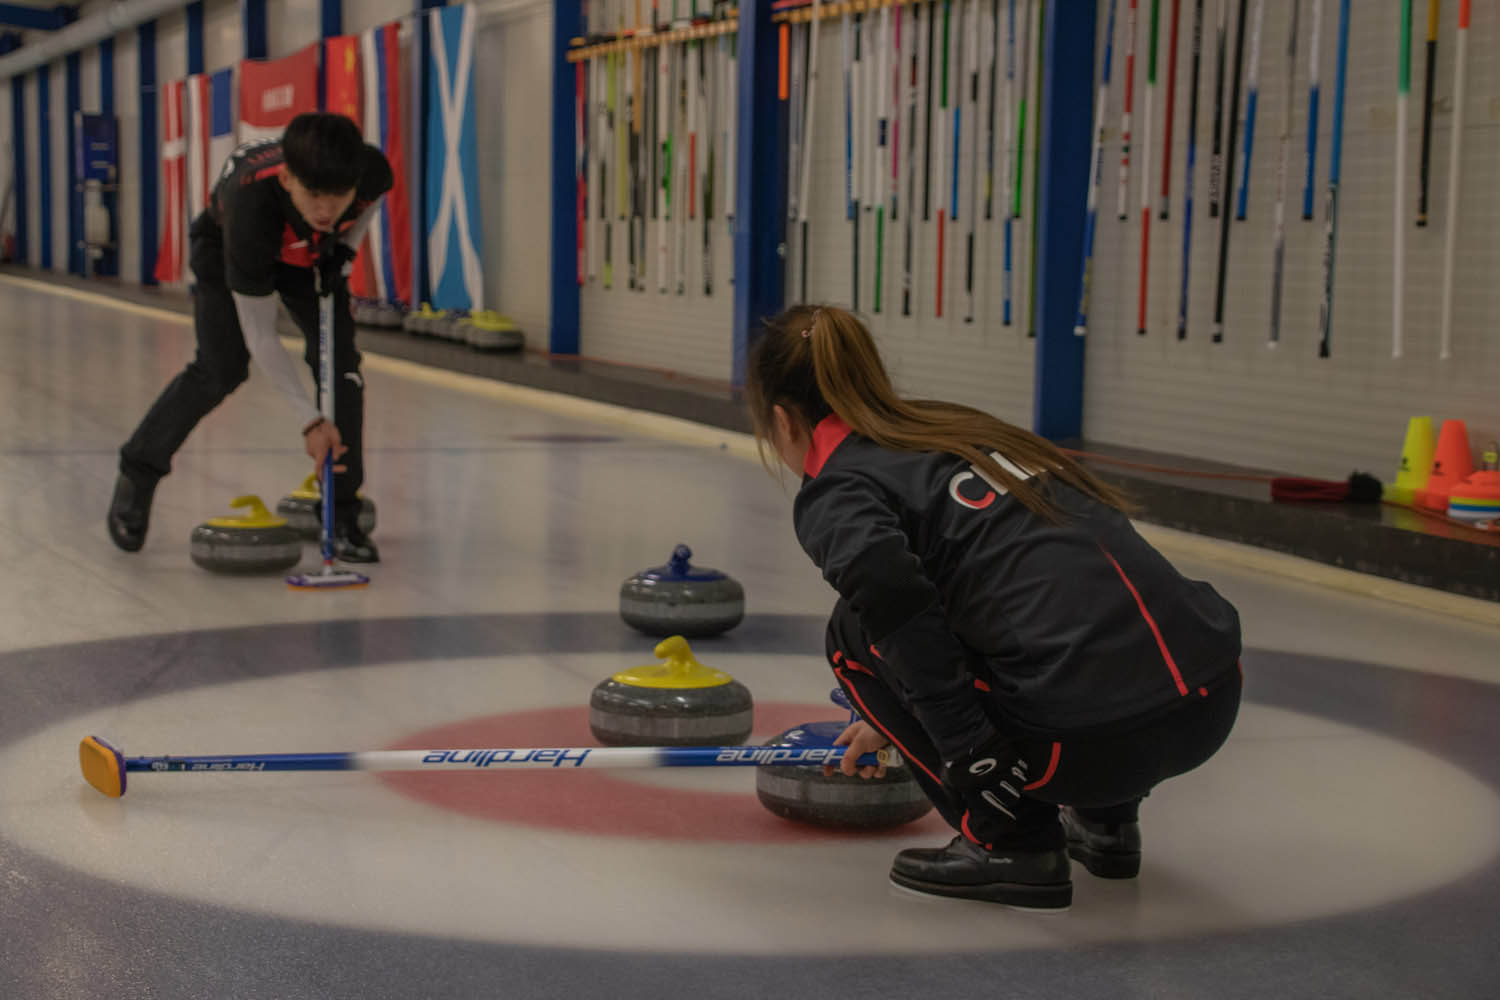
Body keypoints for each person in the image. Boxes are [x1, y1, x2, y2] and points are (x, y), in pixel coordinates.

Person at [747, 305, 1243, 910]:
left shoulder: (839, 486)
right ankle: (1106, 821)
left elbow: (892, 600)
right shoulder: (957, 430)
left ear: (782, 420)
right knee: (1062, 610)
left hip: (1089, 742)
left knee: (853, 635)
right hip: (1207, 700)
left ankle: (1011, 842)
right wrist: (892, 716)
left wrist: (966, 747)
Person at [108, 112, 394, 562]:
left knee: (341, 369)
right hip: (228, 247)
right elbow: (260, 333)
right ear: (287, 179)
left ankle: (341, 513)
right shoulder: (250, 208)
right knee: (220, 368)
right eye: (314, 196)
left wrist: (344, 251)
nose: (325, 211)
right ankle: (138, 471)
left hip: (309, 255)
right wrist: (310, 421)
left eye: (337, 198)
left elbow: (368, 204)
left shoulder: (370, 171)